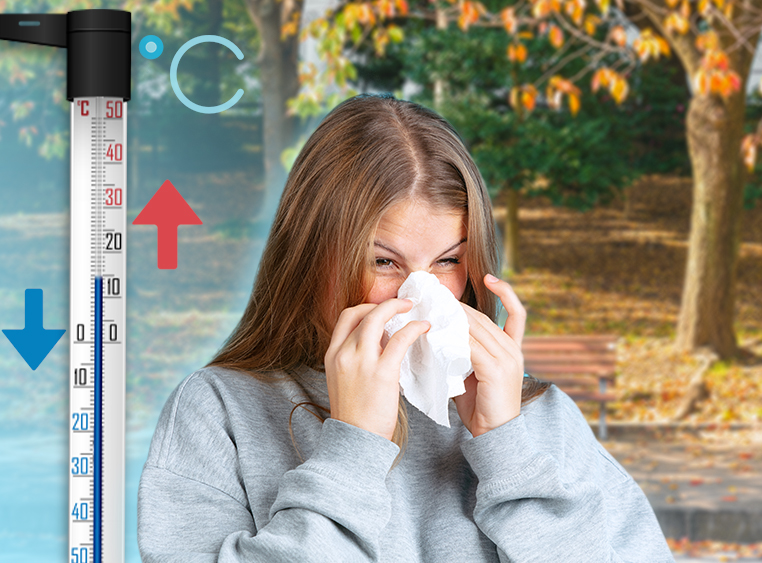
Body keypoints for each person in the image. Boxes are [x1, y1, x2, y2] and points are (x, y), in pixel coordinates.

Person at [137, 93, 674, 562]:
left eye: (447, 261)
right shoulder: (219, 412)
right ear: (309, 258)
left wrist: (507, 448)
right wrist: (354, 449)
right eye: (384, 263)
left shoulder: (542, 420)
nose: (422, 298)